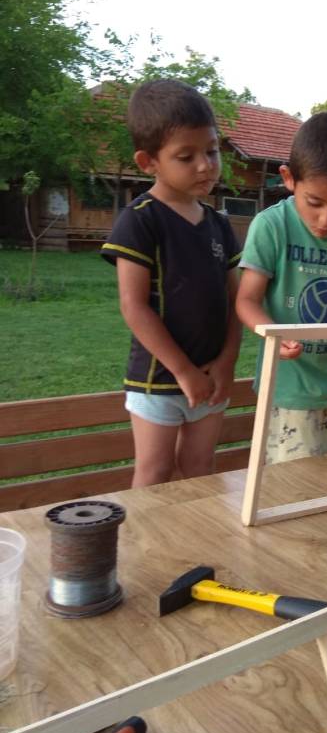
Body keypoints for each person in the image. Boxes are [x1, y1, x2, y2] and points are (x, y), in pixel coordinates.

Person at [102, 79, 242, 487]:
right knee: (156, 472)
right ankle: (145, 553)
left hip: (213, 377)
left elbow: (236, 301)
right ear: (149, 162)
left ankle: (193, 550)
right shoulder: (140, 219)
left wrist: (227, 362)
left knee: (200, 472)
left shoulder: (218, 224)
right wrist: (182, 371)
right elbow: (134, 306)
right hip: (157, 381)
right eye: (186, 156)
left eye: (212, 151)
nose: (205, 165)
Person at [236, 111, 327, 463]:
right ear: (289, 179)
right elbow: (246, 299)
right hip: (291, 391)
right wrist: (273, 332)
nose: (326, 220)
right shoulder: (272, 226)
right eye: (314, 202)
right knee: (292, 493)